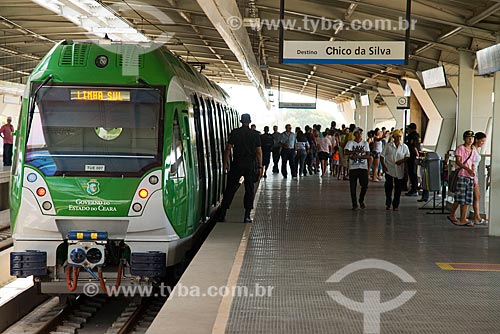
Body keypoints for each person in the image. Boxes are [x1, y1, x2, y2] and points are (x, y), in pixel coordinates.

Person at [218, 114, 262, 223]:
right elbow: (258, 151)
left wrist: (225, 164)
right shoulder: (255, 134)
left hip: (237, 163)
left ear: (240, 121)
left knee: (230, 189)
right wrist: (260, 166)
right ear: (250, 121)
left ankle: (223, 214)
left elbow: (228, 148)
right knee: (249, 190)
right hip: (250, 165)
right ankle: (247, 216)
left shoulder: (235, 133)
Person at [447, 130, 477, 226]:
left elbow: (472, 162)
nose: (470, 140)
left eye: (472, 138)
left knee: (468, 198)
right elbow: (458, 162)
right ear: (464, 139)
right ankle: (461, 218)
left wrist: (472, 169)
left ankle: (462, 217)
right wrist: (467, 169)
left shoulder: (473, 149)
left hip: (469, 176)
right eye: (468, 138)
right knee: (460, 197)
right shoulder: (460, 148)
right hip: (462, 175)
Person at [380, 129, 410, 211]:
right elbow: (382, 156)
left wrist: (401, 161)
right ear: (393, 137)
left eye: (400, 136)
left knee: (398, 188)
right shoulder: (388, 146)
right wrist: (384, 167)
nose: (398, 138)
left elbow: (407, 156)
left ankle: (396, 204)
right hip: (389, 169)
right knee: (388, 187)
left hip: (399, 170)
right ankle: (388, 202)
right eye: (397, 136)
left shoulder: (404, 147)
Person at [344, 128, 370, 210]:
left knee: (365, 185)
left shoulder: (365, 143)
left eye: (360, 134)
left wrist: (358, 156)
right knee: (353, 187)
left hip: (363, 167)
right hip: (353, 168)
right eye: (357, 134)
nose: (359, 135)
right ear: (354, 135)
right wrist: (354, 152)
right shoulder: (350, 143)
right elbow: (346, 152)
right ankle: (354, 204)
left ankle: (361, 200)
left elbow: (368, 155)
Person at [471, 132, 488, 225]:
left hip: (474, 174)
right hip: (472, 174)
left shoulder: (475, 149)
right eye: (482, 141)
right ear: (476, 140)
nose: (483, 143)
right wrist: (473, 177)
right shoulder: (473, 149)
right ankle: (477, 217)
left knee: (476, 196)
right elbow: (472, 164)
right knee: (476, 196)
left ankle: (477, 216)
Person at [405, 123, 421, 196]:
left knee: (412, 173)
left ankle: (414, 189)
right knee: (413, 173)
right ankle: (414, 188)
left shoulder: (412, 136)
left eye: (408, 128)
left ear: (411, 129)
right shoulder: (417, 135)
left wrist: (417, 155)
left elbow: (414, 147)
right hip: (414, 157)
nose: (408, 130)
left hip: (412, 157)